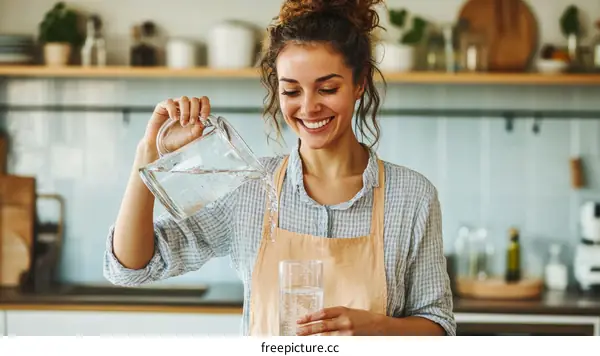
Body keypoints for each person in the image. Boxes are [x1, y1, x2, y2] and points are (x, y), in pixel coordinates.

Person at [104, 0, 456, 336]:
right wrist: (147, 152)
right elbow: (130, 267)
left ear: (360, 82)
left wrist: (378, 329)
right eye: (291, 91)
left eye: (328, 88)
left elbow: (437, 325)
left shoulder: (411, 196)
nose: (309, 107)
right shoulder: (250, 187)